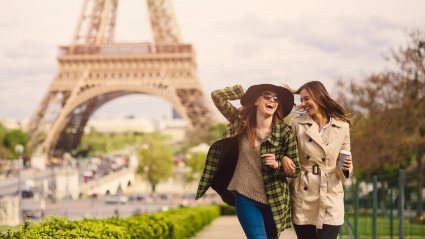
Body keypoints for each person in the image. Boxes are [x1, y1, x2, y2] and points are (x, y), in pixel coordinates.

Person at [195, 84, 300, 239]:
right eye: (267, 96)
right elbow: (217, 96)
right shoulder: (242, 121)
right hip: (245, 196)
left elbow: (295, 169)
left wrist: (278, 164)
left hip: (274, 199)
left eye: (276, 98)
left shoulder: (285, 133)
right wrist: (239, 92)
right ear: (256, 100)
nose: (272, 99)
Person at [281, 81, 353, 239]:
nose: (304, 103)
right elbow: (283, 149)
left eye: (307, 99)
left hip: (331, 191)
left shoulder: (342, 126)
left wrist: (347, 166)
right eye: (302, 100)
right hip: (303, 191)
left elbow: (346, 155)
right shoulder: (296, 123)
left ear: (319, 97)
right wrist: (284, 157)